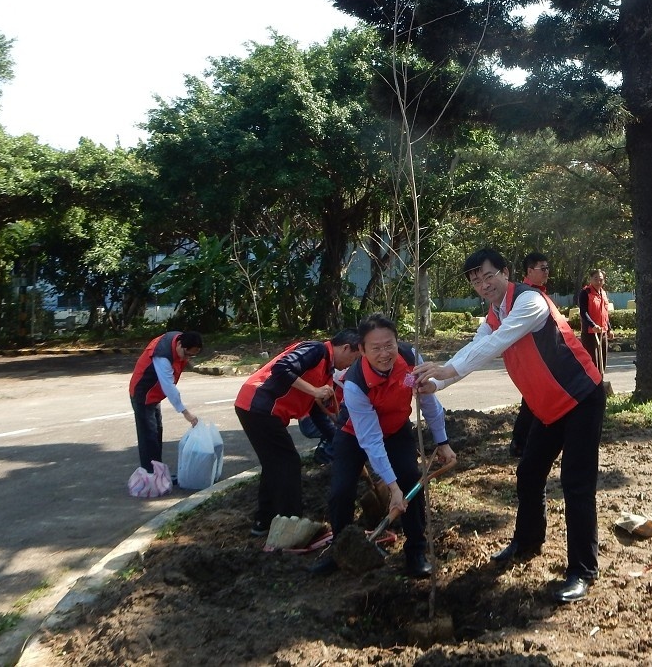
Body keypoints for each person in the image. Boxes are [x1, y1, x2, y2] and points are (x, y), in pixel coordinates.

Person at [416, 248, 605, 604]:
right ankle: (528, 542)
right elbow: (477, 346)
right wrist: (437, 383)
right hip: (548, 407)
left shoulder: (529, 301)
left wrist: (447, 372)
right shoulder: (492, 315)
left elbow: (497, 344)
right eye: (475, 280)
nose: (483, 285)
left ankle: (582, 570)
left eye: (488, 276)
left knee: (576, 484)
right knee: (529, 472)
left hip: (581, 400)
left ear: (505, 272)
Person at [312, 313, 456, 579]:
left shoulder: (410, 361)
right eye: (375, 348)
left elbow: (428, 403)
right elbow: (370, 439)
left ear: (397, 342)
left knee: (411, 479)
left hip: (396, 429)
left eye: (389, 344)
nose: (384, 353)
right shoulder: (356, 384)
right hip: (354, 434)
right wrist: (392, 488)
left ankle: (416, 551)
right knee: (341, 492)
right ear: (362, 350)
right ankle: (340, 551)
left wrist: (443, 442)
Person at [234, 331, 360, 536]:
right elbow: (281, 368)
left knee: (274, 464)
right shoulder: (317, 350)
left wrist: (338, 440)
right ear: (346, 347)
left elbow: (317, 413)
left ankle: (263, 521)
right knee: (288, 462)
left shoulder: (326, 370)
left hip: (259, 409)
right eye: (354, 359)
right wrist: (314, 391)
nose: (349, 365)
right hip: (259, 406)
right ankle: (291, 524)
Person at [129, 330, 203, 473]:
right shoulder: (162, 356)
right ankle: (151, 476)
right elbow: (168, 386)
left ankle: (158, 471)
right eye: (187, 354)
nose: (188, 358)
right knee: (149, 436)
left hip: (154, 394)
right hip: (143, 394)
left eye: (192, 355)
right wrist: (185, 412)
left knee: (157, 432)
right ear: (180, 345)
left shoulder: (179, 339)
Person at [509, 251, 551, 458]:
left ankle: (522, 443)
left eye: (547, 268)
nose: (546, 272)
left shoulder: (537, 292)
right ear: (529, 271)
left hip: (543, 358)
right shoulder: (524, 295)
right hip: (532, 359)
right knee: (531, 403)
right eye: (542, 268)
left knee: (534, 401)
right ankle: (520, 443)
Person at [578, 268, 612, 374]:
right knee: (592, 361)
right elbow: (583, 312)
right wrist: (592, 325)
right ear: (590, 279)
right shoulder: (585, 293)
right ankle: (593, 385)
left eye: (601, 279)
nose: (598, 282)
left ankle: (601, 383)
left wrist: (609, 329)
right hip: (590, 332)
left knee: (603, 361)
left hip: (602, 331)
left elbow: (605, 313)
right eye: (595, 279)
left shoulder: (604, 293)